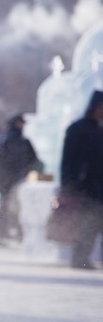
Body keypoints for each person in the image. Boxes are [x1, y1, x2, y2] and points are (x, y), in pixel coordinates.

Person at [59, 90, 103, 269]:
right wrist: (68, 187)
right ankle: (80, 260)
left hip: (98, 186)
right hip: (84, 187)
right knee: (87, 226)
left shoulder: (100, 129)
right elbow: (67, 160)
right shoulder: (78, 129)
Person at [0, 114, 40, 245]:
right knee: (9, 208)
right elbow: (23, 159)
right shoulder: (15, 138)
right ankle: (6, 235)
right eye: (21, 123)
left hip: (1, 178)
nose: (23, 126)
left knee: (1, 207)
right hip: (10, 179)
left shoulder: (2, 137)